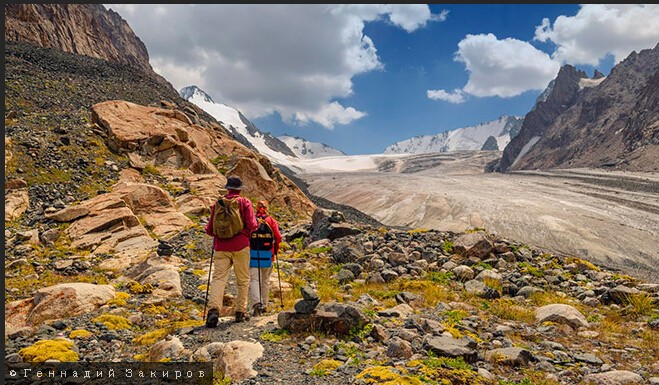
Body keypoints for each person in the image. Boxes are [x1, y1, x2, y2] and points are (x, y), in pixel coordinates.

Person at [205, 176, 258, 327]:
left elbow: (209, 229)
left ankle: (214, 310)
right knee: (243, 280)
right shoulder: (244, 202)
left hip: (221, 247)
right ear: (240, 189)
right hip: (241, 246)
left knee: (219, 279)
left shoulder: (218, 203)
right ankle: (240, 311)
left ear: (227, 188)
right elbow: (252, 224)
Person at [249, 199, 282, 316]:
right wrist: (275, 250)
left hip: (253, 254)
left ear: (256, 208)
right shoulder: (271, 220)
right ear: (267, 208)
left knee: (254, 280)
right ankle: (265, 304)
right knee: (265, 281)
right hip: (268, 254)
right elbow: (278, 237)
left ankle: (256, 303)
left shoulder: (251, 220)